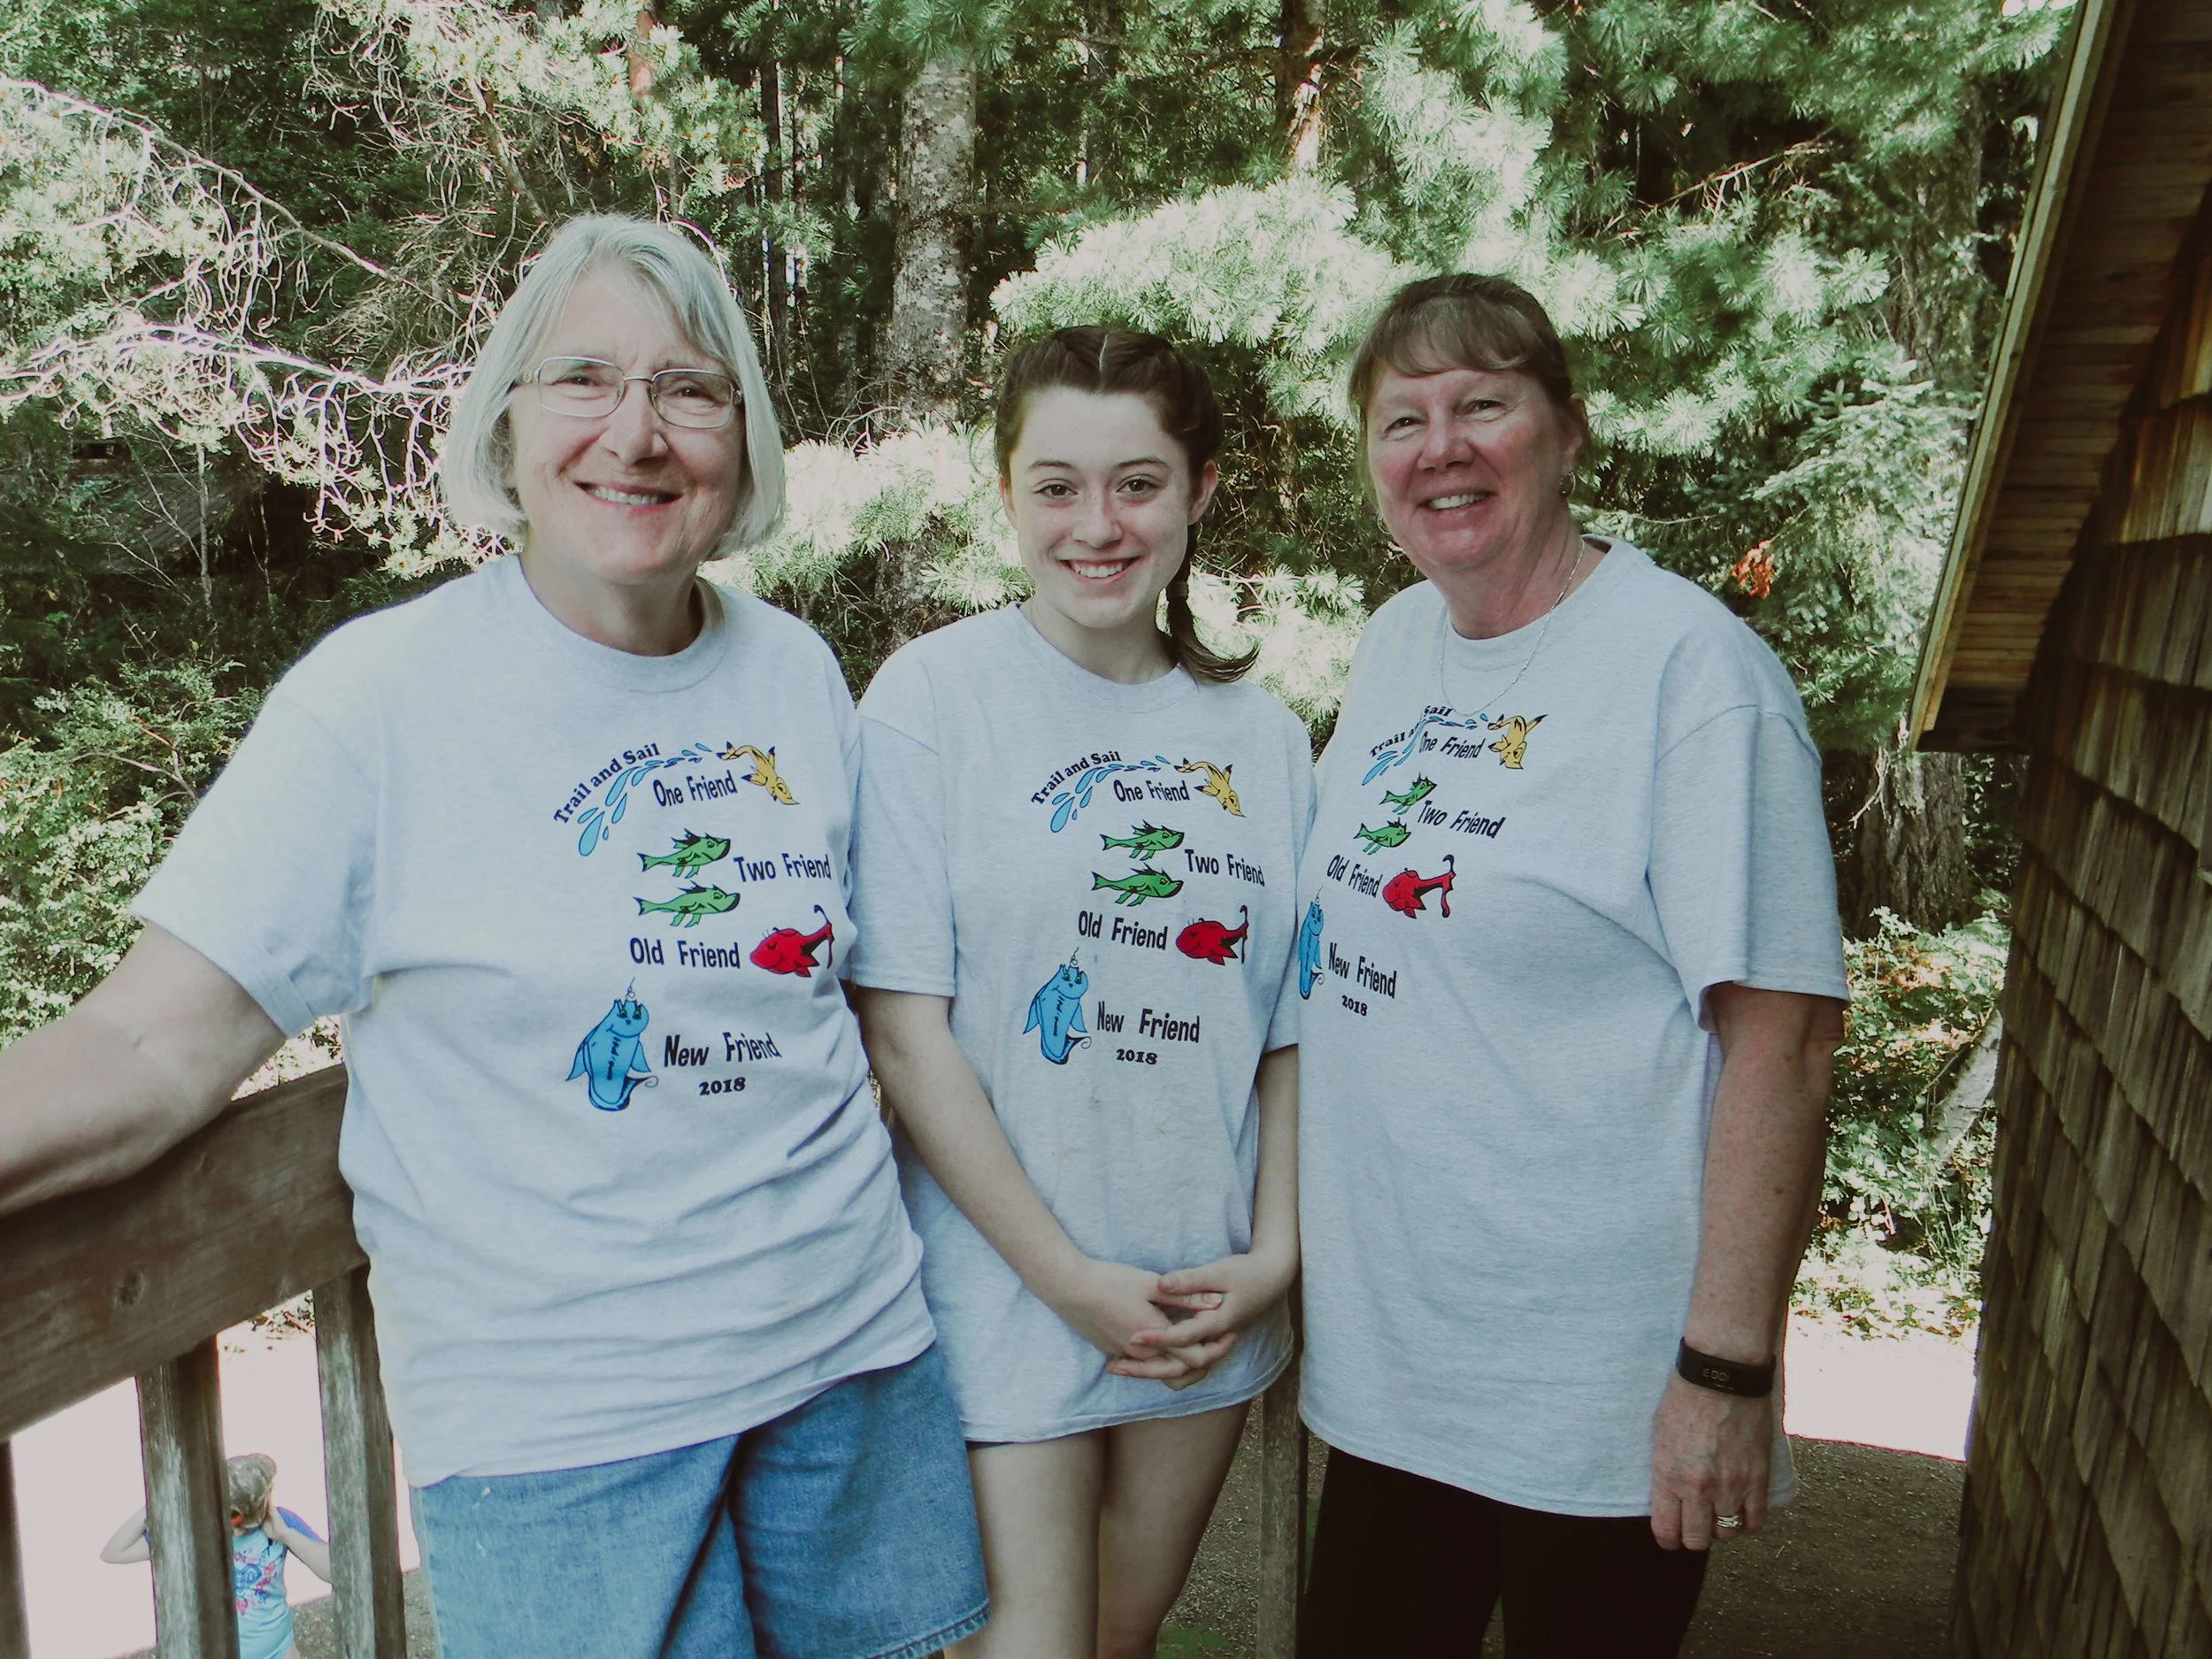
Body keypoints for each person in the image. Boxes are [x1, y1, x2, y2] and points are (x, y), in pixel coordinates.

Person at [0, 213, 985, 1659]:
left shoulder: (792, 671)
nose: (635, 433)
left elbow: (846, 1004)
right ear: (507, 422)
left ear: (743, 437)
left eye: (690, 389)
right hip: (564, 1431)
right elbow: (149, 1041)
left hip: (848, 1369)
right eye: (583, 378)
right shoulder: (381, 703)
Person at [1291, 273, 1850, 1657]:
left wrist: (1724, 1367)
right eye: (1402, 417)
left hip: (1595, 1385)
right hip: (1399, 1370)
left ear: (1569, 430)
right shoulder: (1395, 643)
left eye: (1485, 403)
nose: (1443, 446)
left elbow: (1784, 1042)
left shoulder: (1691, 674)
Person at [849, 327, 1310, 1659]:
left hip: (1202, 1290)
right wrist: (1064, 1278)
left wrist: (1275, 1257)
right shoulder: (932, 699)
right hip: (1006, 1283)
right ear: (1006, 492)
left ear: (1200, 490)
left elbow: (1285, 1034)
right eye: (1056, 485)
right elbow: (901, 1023)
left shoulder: (1267, 742)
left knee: (1123, 1631)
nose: (1096, 525)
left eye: (1137, 483)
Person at [103, 1454, 332, 1659]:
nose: (239, 1531)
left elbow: (333, 1572)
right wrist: (159, 1499)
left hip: (279, 1649)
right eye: (232, 1519)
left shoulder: (280, 1524)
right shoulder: (196, 1528)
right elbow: (115, 1552)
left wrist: (288, 1536)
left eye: (248, 1523)